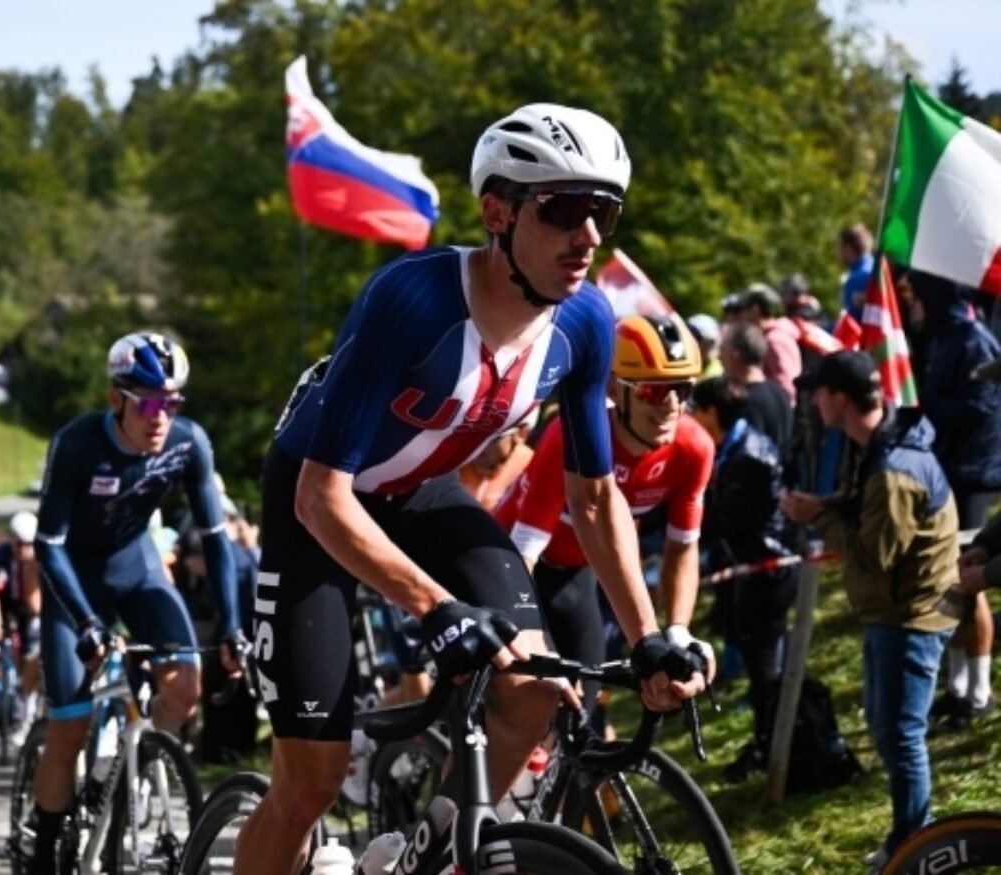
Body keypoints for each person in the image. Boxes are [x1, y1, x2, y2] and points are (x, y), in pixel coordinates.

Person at [239, 104, 707, 875]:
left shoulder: (586, 323)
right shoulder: (413, 300)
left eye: (604, 212)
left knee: (534, 688)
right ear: (498, 211)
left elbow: (593, 499)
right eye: (563, 209)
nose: (588, 234)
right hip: (319, 503)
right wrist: (436, 608)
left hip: (423, 494)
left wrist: (649, 632)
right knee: (309, 787)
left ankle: (425, 859)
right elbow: (322, 497)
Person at [27, 332, 247, 872]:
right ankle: (45, 846)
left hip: (136, 567)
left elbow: (218, 540)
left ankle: (139, 762)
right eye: (148, 402)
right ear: (115, 399)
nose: (160, 417)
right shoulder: (77, 444)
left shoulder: (188, 443)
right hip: (73, 577)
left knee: (186, 686)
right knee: (69, 725)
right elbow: (47, 546)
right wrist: (85, 623)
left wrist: (234, 626)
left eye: (171, 404)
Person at [494, 313, 716, 728]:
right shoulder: (571, 435)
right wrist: (531, 639)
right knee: (528, 705)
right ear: (615, 389)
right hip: (512, 565)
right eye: (652, 391)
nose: (669, 406)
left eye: (682, 390)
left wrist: (679, 630)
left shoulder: (693, 449)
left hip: (577, 574)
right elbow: (523, 554)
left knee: (583, 714)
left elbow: (682, 548)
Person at [780, 350, 958, 867]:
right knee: (886, 728)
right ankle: (911, 836)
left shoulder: (893, 470)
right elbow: (866, 515)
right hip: (895, 613)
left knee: (901, 737)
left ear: (838, 399)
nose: (813, 403)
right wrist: (825, 506)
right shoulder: (880, 448)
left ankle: (917, 845)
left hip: (911, 617)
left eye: (817, 393)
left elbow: (872, 555)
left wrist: (818, 520)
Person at [689, 376, 800, 781]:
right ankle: (767, 741)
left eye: (694, 408)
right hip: (749, 569)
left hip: (769, 572)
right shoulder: (732, 447)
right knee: (759, 662)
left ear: (712, 413)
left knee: (765, 666)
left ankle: (774, 748)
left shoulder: (747, 456)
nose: (688, 416)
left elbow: (729, 522)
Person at [908, 270, 1001, 733]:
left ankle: (979, 691)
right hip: (949, 471)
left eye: (916, 297)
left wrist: (930, 410)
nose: (911, 307)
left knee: (969, 582)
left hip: (974, 474)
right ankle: (958, 687)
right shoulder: (943, 339)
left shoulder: (974, 341)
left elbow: (983, 409)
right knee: (951, 580)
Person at [0, 509, 44, 739]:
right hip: (10, 611)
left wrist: (30, 567)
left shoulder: (40, 558)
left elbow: (36, 606)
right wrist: (0, 623)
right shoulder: (1, 556)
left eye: (29, 544)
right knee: (10, 660)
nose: (23, 549)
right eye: (19, 543)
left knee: (32, 657)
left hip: (36, 615)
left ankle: (27, 712)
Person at [719, 321, 793, 452]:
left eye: (723, 351)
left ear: (734, 355)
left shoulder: (747, 402)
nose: (719, 358)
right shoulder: (781, 393)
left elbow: (748, 456)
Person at [740, 283, 802, 405]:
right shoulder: (775, 335)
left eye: (744, 309)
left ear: (755, 309)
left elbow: (785, 385)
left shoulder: (774, 340)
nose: (742, 315)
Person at [837, 224, 875, 322]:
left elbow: (851, 324)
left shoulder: (857, 279)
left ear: (848, 249)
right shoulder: (876, 269)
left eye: (840, 248)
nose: (838, 253)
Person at [685, 313, 723, 378]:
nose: (713, 346)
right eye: (708, 342)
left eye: (713, 342)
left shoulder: (719, 373)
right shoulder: (683, 369)